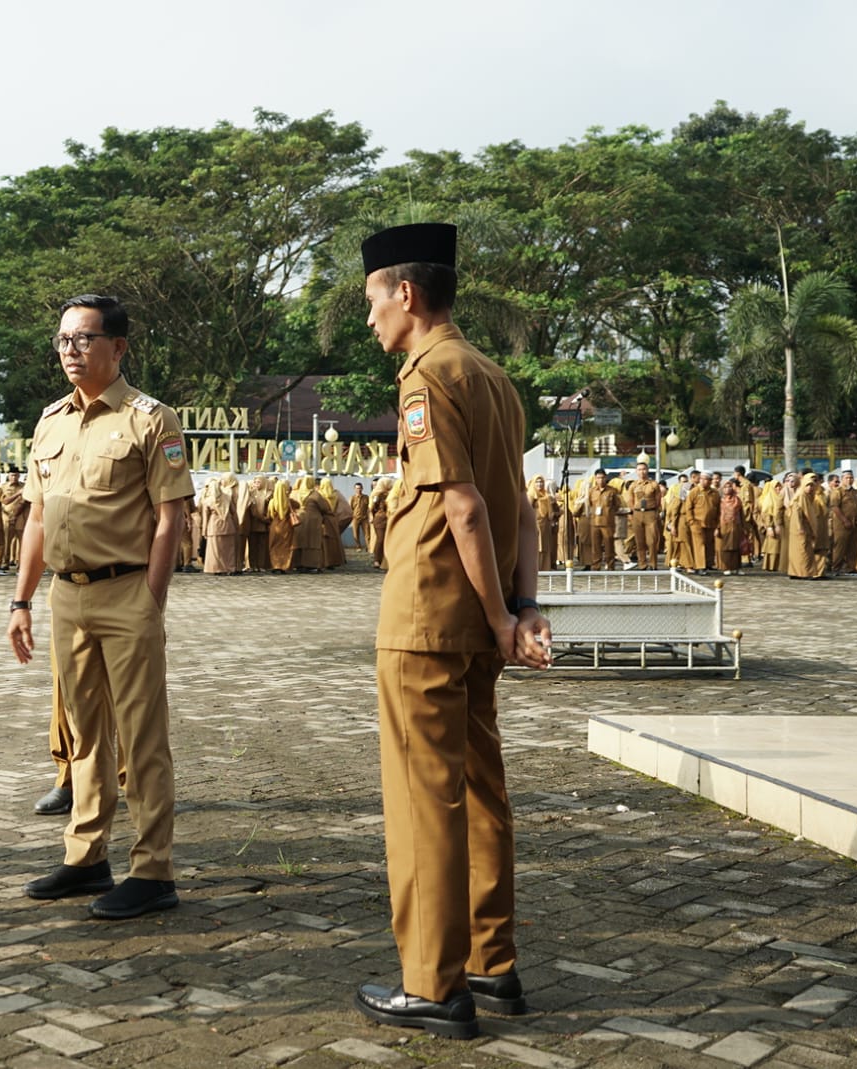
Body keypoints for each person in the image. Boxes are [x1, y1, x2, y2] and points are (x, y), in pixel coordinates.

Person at [352, 223, 551, 1040]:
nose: (370, 320)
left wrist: (507, 614)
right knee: (479, 792)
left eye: (373, 301)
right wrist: (520, 607)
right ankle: (490, 963)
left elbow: (464, 505)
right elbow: (524, 510)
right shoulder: (496, 378)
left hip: (430, 620)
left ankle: (432, 982)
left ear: (406, 294)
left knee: (423, 801)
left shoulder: (427, 378)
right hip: (476, 620)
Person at [6, 293, 192, 921]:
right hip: (67, 595)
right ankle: (87, 857)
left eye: (84, 340)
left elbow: (171, 518)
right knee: (83, 733)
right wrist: (21, 599)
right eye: (63, 341)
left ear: (118, 347)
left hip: (126, 591)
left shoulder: (151, 419)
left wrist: (152, 599)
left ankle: (153, 870)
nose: (71, 352)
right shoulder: (51, 420)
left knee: (141, 737)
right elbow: (37, 516)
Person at [787, 472, 829, 579]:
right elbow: (797, 513)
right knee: (802, 551)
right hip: (800, 528)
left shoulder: (812, 496)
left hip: (807, 527)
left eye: (813, 484)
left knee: (803, 551)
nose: (811, 487)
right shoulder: (801, 496)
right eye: (808, 485)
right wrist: (800, 527)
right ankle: (802, 573)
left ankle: (799, 572)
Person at [626, 462, 663, 568]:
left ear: (647, 470)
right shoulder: (633, 485)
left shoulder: (654, 484)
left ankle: (653, 563)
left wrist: (655, 511)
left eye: (644, 469)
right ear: (636, 471)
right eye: (639, 469)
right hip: (637, 513)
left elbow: (658, 500)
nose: (642, 472)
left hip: (650, 513)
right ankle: (642, 564)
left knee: (652, 541)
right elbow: (630, 500)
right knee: (639, 541)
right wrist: (633, 513)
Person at [584, 469, 620, 570]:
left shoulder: (612, 491)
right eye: (598, 478)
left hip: (608, 522)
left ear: (606, 478)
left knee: (609, 545)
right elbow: (590, 504)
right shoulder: (592, 491)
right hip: (595, 522)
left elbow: (617, 505)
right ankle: (596, 566)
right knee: (595, 546)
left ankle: (610, 565)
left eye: (603, 477)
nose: (601, 480)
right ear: (595, 479)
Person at [528, 476, 558, 571]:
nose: (539, 484)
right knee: (537, 545)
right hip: (535, 523)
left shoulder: (546, 495)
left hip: (545, 523)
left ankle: (545, 566)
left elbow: (553, 510)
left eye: (541, 482)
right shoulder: (531, 495)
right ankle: (535, 566)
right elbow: (527, 510)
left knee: (545, 545)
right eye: (537, 482)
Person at [350, 483, 369, 549]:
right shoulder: (352, 498)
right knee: (355, 534)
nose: (359, 490)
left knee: (367, 534)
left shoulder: (366, 497)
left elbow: (368, 507)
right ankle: (358, 547)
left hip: (364, 518)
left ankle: (368, 547)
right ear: (354, 489)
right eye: (357, 488)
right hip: (355, 518)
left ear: (362, 488)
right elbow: (350, 508)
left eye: (360, 488)